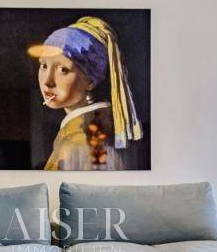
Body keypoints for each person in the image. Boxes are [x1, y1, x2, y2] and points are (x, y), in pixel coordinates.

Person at [30, 16, 143, 170]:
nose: (47, 81)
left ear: (90, 81)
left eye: (63, 70)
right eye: (43, 65)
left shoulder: (80, 138)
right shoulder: (97, 125)